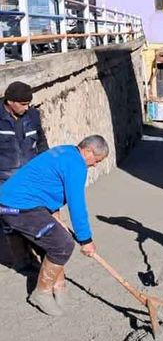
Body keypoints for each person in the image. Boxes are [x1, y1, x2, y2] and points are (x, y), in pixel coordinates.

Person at [0, 135, 109, 316]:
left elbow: (47, 184)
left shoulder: (66, 152)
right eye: (96, 160)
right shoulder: (77, 165)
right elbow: (77, 203)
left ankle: (59, 285)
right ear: (88, 151)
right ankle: (41, 293)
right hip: (17, 206)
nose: (95, 165)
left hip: (23, 202)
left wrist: (56, 216)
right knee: (62, 244)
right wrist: (85, 239)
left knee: (55, 236)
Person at [0, 81, 49, 269]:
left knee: (34, 216)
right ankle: (21, 260)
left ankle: (39, 256)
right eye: (23, 104)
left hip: (30, 178)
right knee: (9, 219)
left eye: (29, 103)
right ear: (10, 101)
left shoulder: (33, 116)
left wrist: (47, 167)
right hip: (5, 180)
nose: (27, 107)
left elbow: (41, 142)